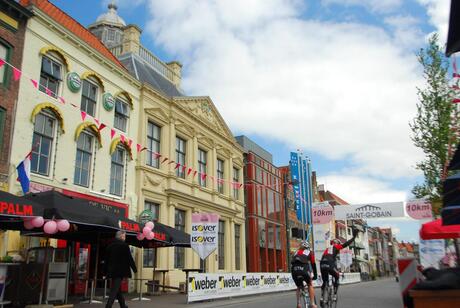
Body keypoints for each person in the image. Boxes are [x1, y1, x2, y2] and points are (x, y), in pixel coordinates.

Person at [320, 227, 359, 303]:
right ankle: (334, 295)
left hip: (322, 264)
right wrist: (353, 237)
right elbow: (346, 244)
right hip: (329, 264)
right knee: (337, 276)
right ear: (337, 243)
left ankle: (321, 297)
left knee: (325, 282)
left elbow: (323, 258)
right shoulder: (336, 246)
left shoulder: (327, 249)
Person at [104, 231, 137, 308]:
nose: (125, 238)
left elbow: (106, 260)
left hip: (112, 271)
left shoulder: (110, 246)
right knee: (114, 290)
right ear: (121, 236)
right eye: (124, 236)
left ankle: (123, 305)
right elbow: (129, 258)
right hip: (120, 272)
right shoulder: (124, 246)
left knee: (117, 289)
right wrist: (134, 269)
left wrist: (105, 271)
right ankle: (108, 306)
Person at [291, 240, 318, 308]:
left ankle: (298, 303)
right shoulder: (309, 252)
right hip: (303, 270)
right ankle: (312, 303)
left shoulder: (295, 252)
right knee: (310, 284)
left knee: (298, 286)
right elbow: (313, 264)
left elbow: (292, 262)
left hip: (294, 270)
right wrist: (315, 275)